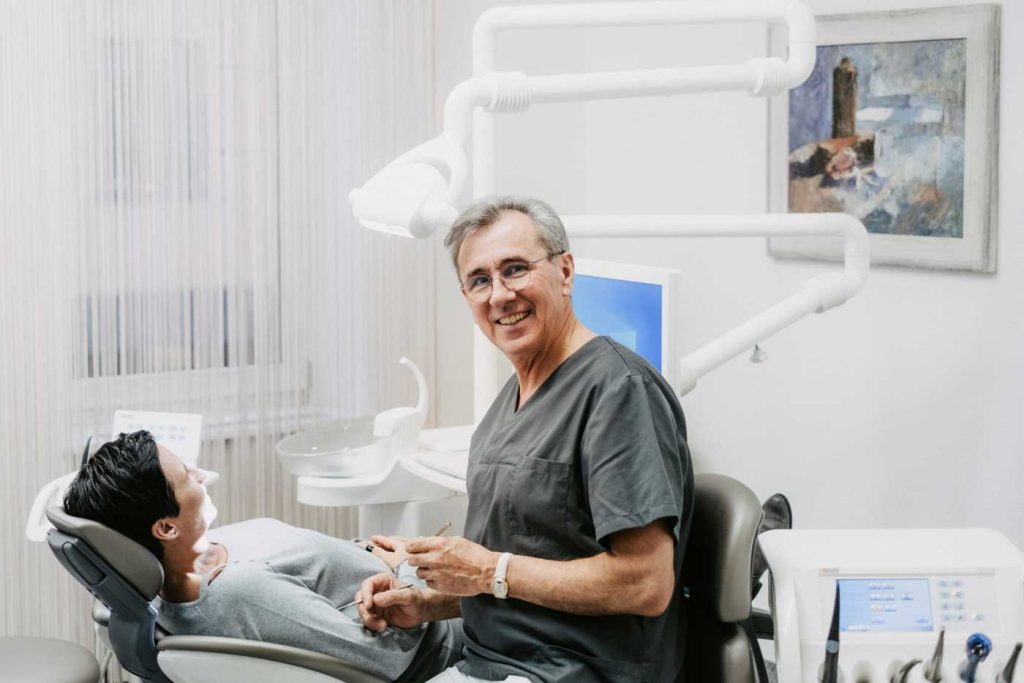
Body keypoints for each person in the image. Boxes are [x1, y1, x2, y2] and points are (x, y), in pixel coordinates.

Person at [358, 196, 694, 682]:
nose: (498, 295)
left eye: (516, 269)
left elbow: (645, 582)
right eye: (479, 280)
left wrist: (485, 568)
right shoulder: (514, 395)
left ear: (565, 271)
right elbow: (526, 572)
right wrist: (428, 600)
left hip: (572, 671)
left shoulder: (618, 391)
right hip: (491, 659)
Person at [63, 430, 462, 683]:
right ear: (166, 528)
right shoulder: (238, 593)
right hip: (442, 639)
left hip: (404, 572)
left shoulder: (203, 550)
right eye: (186, 475)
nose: (201, 475)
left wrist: (372, 550)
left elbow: (315, 574)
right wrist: (410, 578)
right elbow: (379, 664)